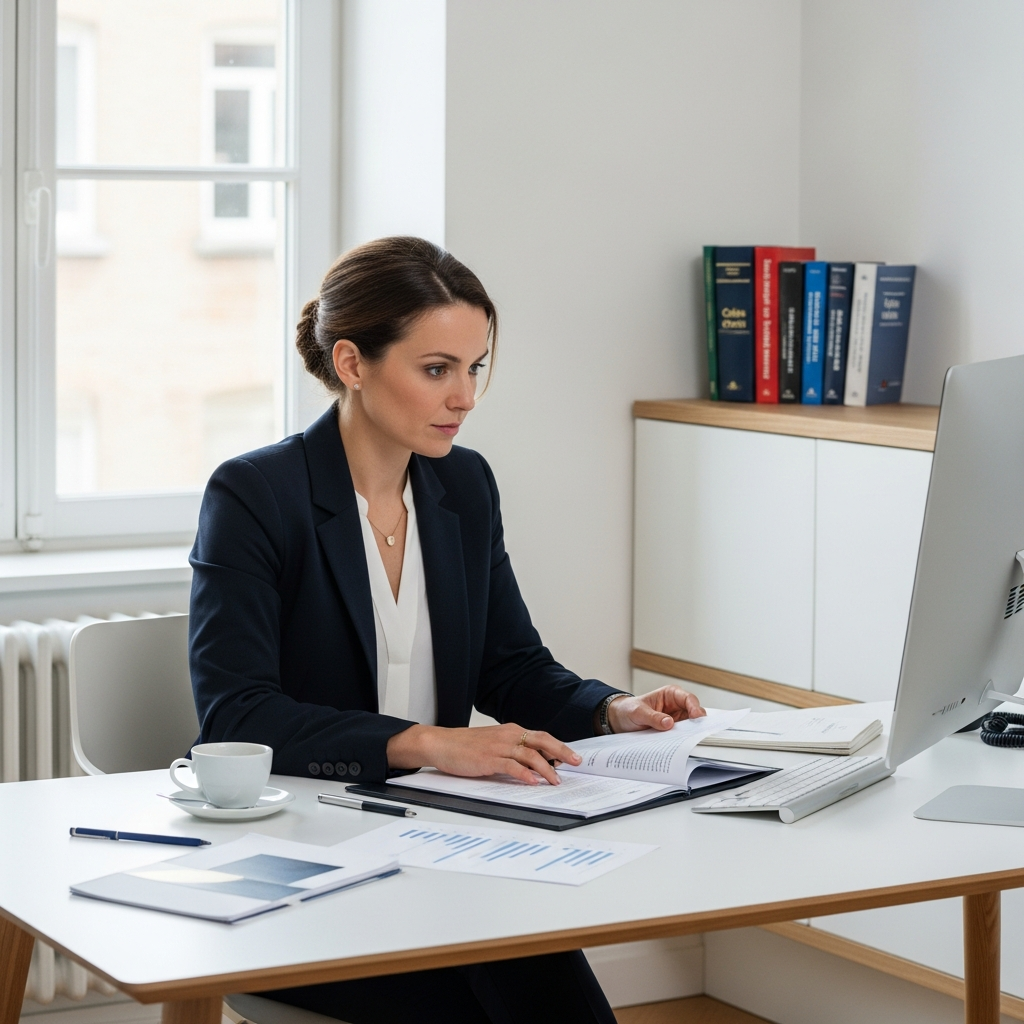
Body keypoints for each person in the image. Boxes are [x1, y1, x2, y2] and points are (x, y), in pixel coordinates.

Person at [188, 236, 706, 1024]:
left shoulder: (463, 483)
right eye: (437, 370)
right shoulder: (257, 494)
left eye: (476, 368)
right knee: (479, 993)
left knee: (545, 978)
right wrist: (430, 742)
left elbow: (512, 665)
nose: (464, 397)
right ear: (353, 363)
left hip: (444, 849)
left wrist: (611, 711)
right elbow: (236, 715)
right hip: (302, 869)